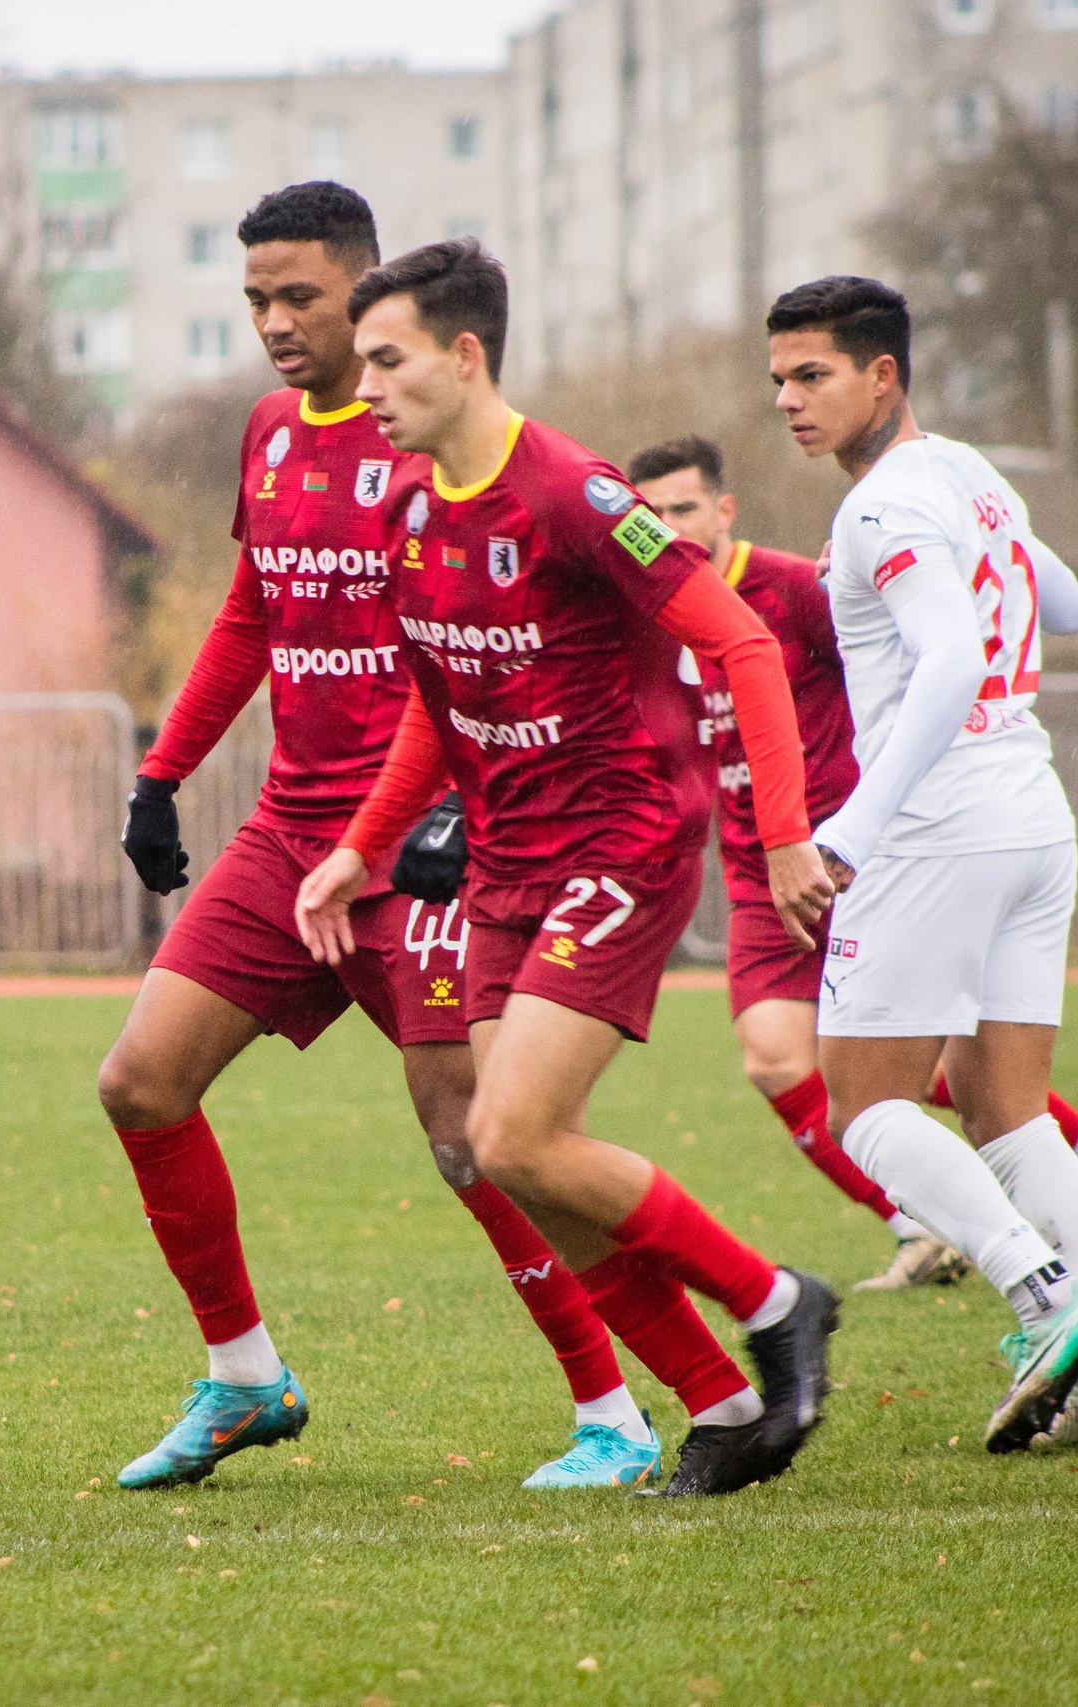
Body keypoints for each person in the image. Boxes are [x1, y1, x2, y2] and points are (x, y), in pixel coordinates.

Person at [100, 183, 734, 1495]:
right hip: (291, 835)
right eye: (256, 302)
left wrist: (449, 805)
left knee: (479, 1134)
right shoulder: (272, 435)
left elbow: (509, 653)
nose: (276, 325)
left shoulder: (441, 443)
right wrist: (163, 770)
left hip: (430, 843)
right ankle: (242, 1375)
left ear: (365, 289)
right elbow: (251, 616)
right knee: (140, 1081)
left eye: (301, 298)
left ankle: (620, 1406)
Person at [296, 240, 844, 1498]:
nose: (363, 385)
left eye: (386, 359)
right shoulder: (404, 508)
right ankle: (717, 1403)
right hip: (505, 861)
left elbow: (746, 644)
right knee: (516, 1159)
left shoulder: (574, 495)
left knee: (515, 1130)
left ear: (465, 355)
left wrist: (785, 834)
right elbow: (442, 703)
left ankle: (778, 1302)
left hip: (623, 838)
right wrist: (359, 851)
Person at [765, 274, 1078, 1451]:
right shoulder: (969, 472)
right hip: (1030, 809)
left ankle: (1047, 1303)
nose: (788, 398)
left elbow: (944, 663)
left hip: (938, 826)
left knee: (865, 1107)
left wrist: (847, 834)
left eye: (812, 374)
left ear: (884, 375)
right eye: (777, 377)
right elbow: (1067, 603)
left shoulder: (878, 509)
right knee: (1006, 1107)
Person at [626, 437, 1078, 1291]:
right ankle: (925, 1225)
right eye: (649, 514)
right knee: (782, 1058)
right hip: (765, 866)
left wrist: (863, 817)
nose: (667, 527)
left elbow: (927, 664)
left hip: (862, 847)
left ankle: (1076, 1181)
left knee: (908, 1078)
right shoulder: (649, 611)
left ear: (723, 511)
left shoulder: (801, 583)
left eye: (682, 507)